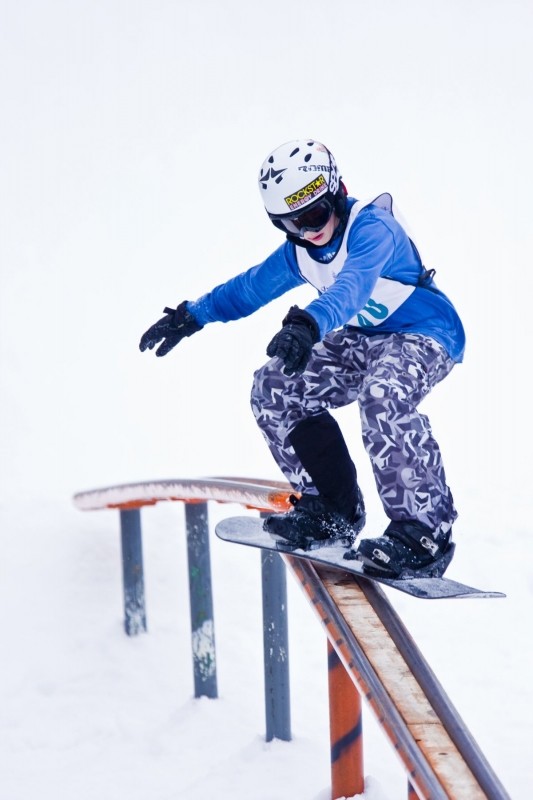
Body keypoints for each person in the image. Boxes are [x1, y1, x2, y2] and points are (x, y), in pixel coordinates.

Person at [139, 139, 465, 579]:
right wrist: (192, 315)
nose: (308, 232)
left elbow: (351, 287)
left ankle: (424, 532)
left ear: (337, 192)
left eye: (314, 215)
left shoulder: (373, 228)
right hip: (363, 339)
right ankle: (331, 509)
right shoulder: (301, 250)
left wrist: (308, 323)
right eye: (290, 224)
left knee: (383, 396)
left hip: (425, 333)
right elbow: (250, 287)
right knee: (275, 387)